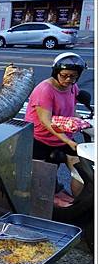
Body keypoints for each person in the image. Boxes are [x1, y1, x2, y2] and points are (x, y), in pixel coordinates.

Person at [24, 52, 88, 196]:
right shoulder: (45, 90)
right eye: (64, 75)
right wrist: (67, 141)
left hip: (63, 137)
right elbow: (46, 121)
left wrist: (86, 122)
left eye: (73, 76)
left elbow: (72, 111)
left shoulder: (72, 87)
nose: (68, 79)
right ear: (55, 72)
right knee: (41, 178)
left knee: (80, 171)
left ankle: (80, 207)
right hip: (41, 139)